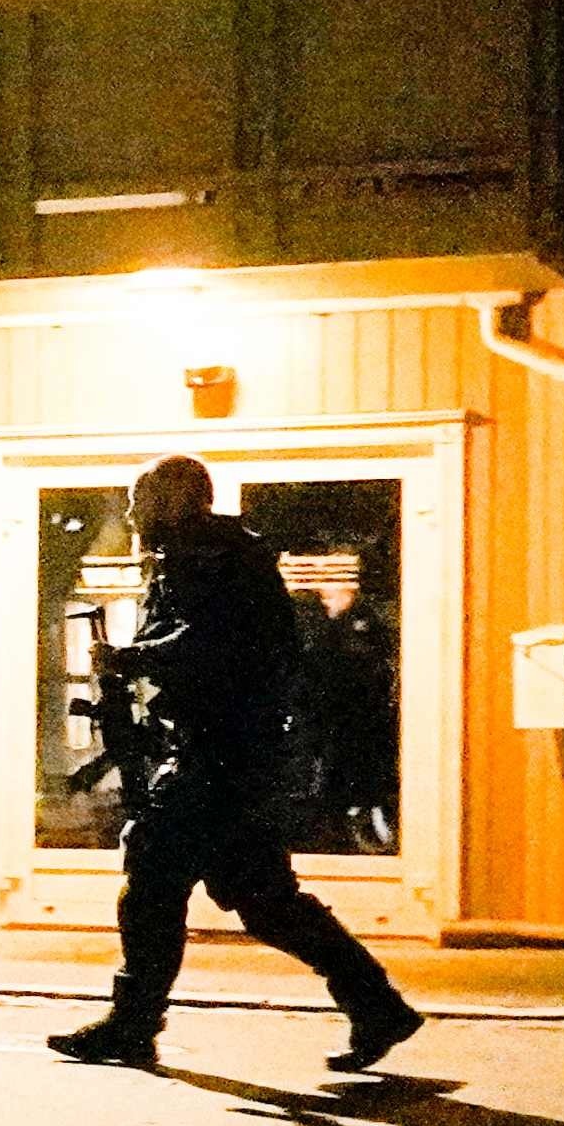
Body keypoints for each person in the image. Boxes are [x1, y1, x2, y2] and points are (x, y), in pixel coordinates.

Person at [49, 455, 424, 1074]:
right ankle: (375, 1003)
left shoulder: (213, 562)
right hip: (230, 754)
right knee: (264, 899)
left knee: (155, 878)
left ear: (174, 501)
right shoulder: (203, 558)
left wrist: (130, 657)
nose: (132, 512)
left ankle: (133, 1022)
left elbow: (211, 644)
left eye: (140, 498)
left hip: (222, 754)